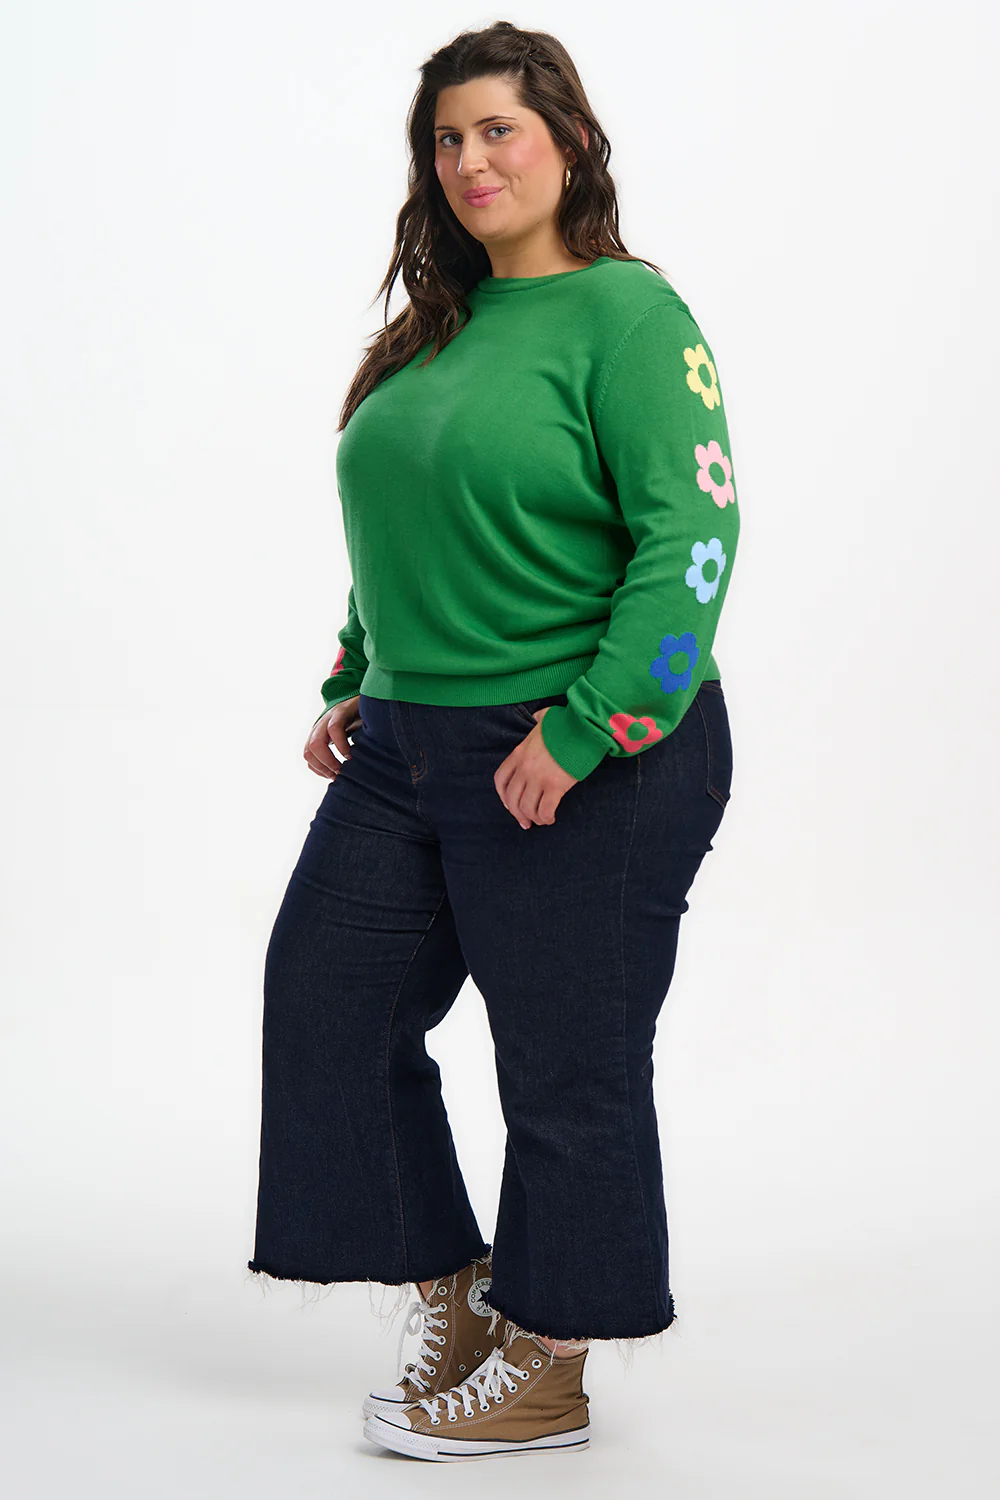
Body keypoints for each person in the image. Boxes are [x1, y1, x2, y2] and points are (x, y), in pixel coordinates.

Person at [246, 19, 740, 1463]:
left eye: (498, 130)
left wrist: (591, 729)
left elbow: (692, 536)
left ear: (568, 141)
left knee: (566, 1059)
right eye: (447, 138)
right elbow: (408, 519)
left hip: (579, 740)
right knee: (326, 1005)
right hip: (409, 739)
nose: (470, 159)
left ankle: (552, 1363)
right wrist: (364, 671)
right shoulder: (439, 329)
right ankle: (462, 1293)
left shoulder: (629, 315)